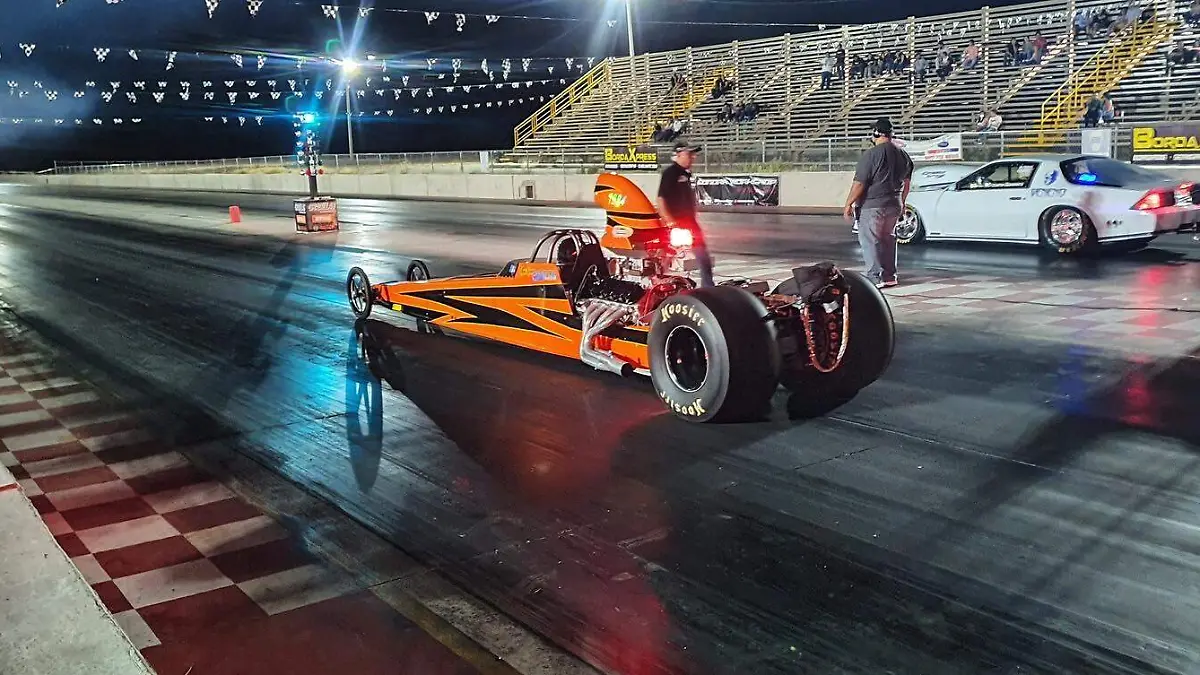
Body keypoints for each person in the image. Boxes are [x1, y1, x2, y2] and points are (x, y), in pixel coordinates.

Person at [843, 117, 913, 288]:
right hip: (894, 204)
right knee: (888, 239)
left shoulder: (871, 155)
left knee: (871, 240)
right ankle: (890, 275)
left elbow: (860, 183)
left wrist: (848, 204)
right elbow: (907, 183)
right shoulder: (903, 155)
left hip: (873, 204)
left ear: (876, 133)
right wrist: (902, 203)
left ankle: (875, 277)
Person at [657, 141, 714, 287]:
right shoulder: (670, 173)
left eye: (693, 154)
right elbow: (661, 199)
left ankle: (708, 287)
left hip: (690, 222)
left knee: (703, 256)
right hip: (675, 222)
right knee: (666, 255)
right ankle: (658, 283)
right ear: (678, 155)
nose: (693, 157)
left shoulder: (685, 174)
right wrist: (670, 222)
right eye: (689, 154)